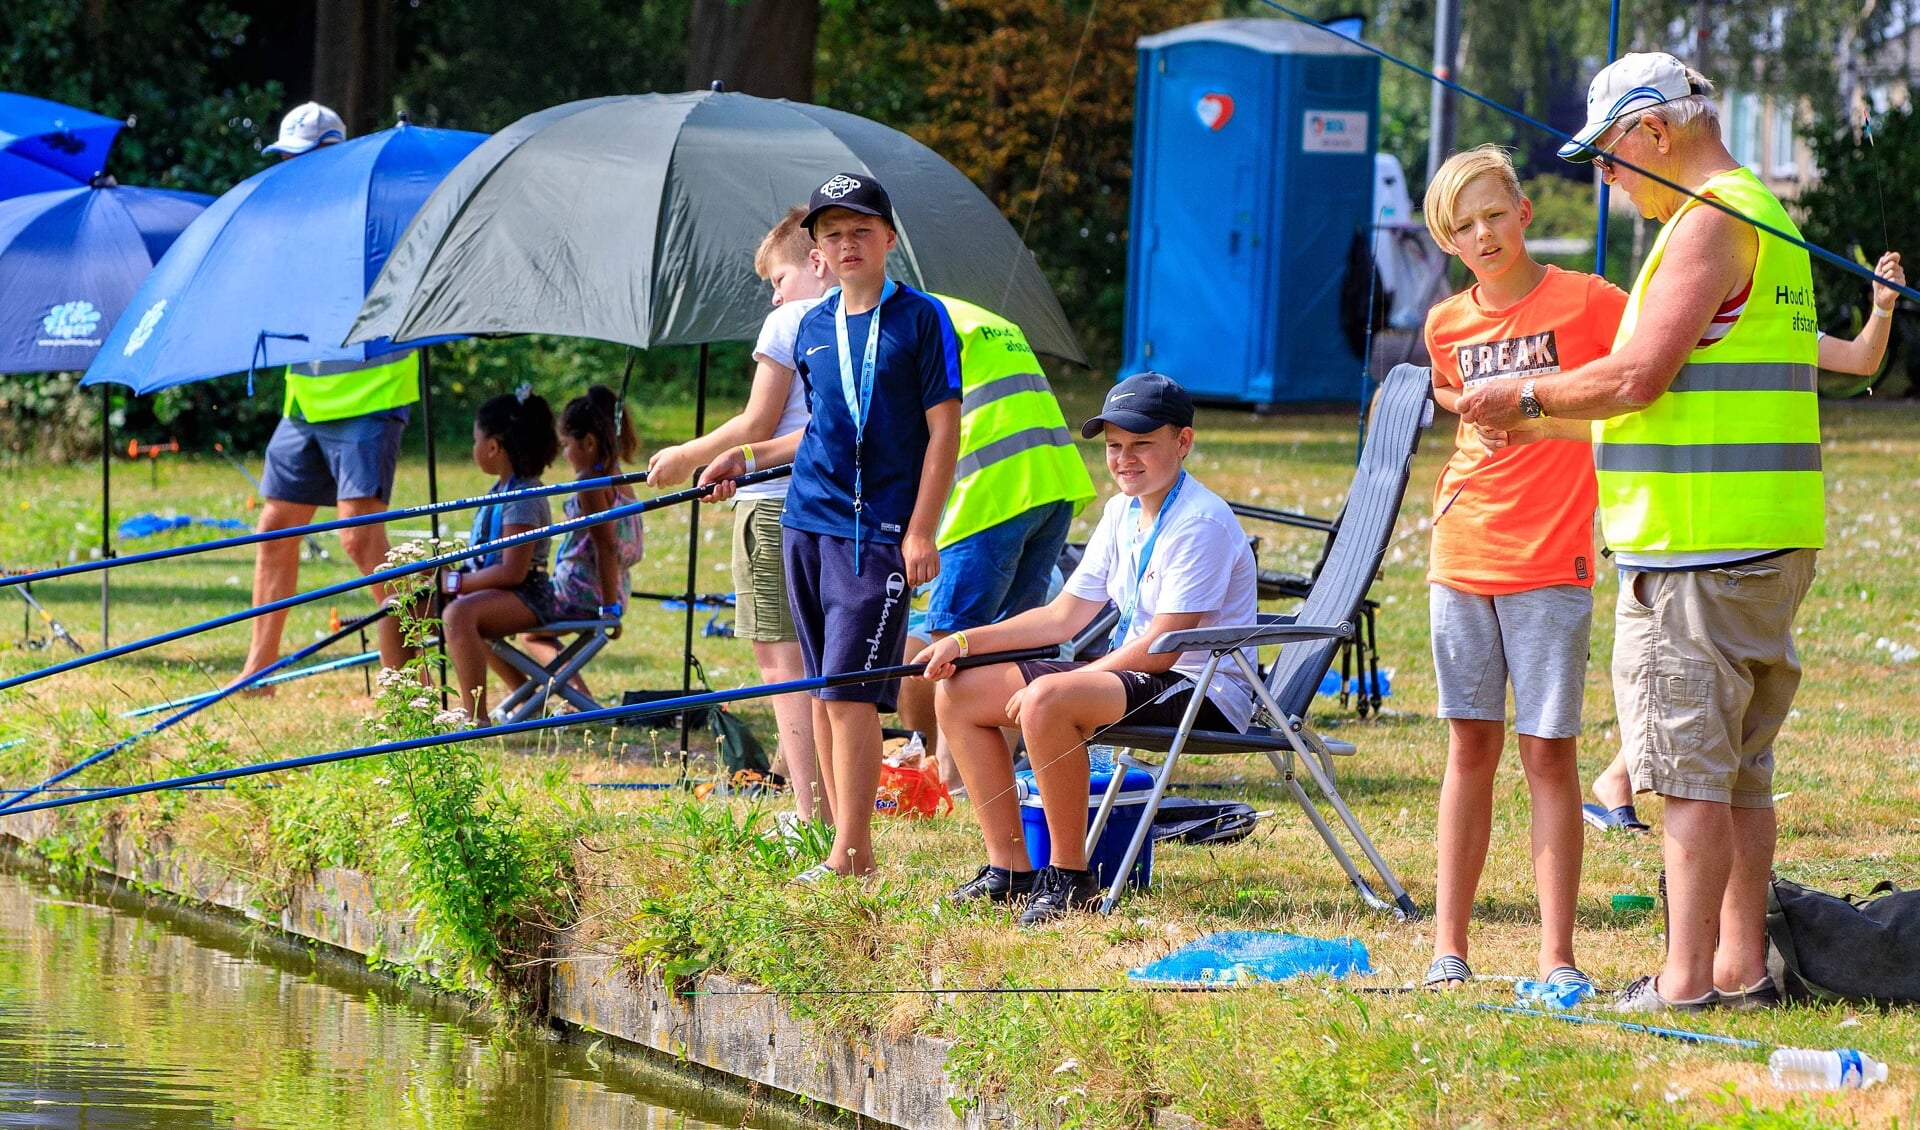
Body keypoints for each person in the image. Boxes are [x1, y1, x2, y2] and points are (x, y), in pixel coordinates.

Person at [1460, 53, 1826, 1013]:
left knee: (1691, 777)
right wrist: (1535, 422)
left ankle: (1683, 980)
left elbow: (1637, 378)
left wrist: (1523, 389)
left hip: (1698, 550)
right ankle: (1741, 968)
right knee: (1741, 773)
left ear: (1653, 132)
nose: (1608, 180)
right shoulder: (1765, 212)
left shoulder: (1707, 222)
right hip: (1764, 537)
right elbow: (1672, 395)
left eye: (1611, 160)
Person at [914, 373, 1259, 925]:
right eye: (1115, 447)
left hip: (1203, 687)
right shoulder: (1121, 512)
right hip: (1139, 672)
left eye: (1143, 443)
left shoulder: (1201, 522)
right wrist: (962, 641)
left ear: (1183, 442)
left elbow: (1163, 649)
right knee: (960, 691)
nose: (1125, 459)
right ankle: (1011, 871)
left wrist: (1070, 680)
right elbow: (1061, 615)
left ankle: (1071, 878)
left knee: (1050, 699)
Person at [1584, 247, 1905, 833]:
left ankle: (1618, 778)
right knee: (1702, 700)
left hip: (1763, 538)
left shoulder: (1779, 331)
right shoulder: (1716, 317)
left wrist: (1881, 309)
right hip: (1694, 535)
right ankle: (1618, 778)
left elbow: (1861, 361)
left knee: (1716, 704)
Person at [700, 173, 962, 880]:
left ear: (889, 239)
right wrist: (745, 455)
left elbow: (943, 435)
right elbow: (817, 431)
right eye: (833, 234)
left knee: (849, 693)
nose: (848, 245)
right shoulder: (812, 326)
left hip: (875, 534)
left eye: (861, 232)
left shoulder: (922, 319)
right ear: (817, 248)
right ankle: (829, 839)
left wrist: (921, 529)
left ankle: (854, 854)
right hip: (805, 523)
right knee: (820, 688)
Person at [1416, 145, 1628, 993]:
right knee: (1471, 744)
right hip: (1462, 548)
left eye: (1493, 214)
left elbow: (1646, 375)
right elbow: (1446, 390)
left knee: (1549, 755)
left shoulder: (1591, 301)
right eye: (1462, 227)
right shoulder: (1446, 323)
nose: (1483, 234)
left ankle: (1558, 959)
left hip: (1553, 555)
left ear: (1525, 211)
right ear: (1450, 243)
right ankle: (1448, 949)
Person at [648, 209, 828, 821]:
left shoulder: (790, 319)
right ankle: (823, 805)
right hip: (826, 510)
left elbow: (756, 424)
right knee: (816, 662)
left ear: (815, 262)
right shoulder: (862, 319)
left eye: (778, 277)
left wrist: (684, 457)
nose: (774, 294)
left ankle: (811, 816)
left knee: (782, 663)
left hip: (773, 509)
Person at [237, 101, 421, 685]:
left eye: (299, 158)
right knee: (275, 526)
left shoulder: (374, 214)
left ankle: (408, 687)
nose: (290, 169)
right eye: (284, 159)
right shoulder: (289, 222)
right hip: (307, 402)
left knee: (360, 541)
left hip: (370, 397)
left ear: (332, 154)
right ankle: (257, 671)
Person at [895, 294, 1096, 793]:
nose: (777, 299)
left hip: (991, 489)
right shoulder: (973, 314)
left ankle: (954, 782)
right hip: (1051, 481)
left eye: (780, 285)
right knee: (1016, 639)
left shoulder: (899, 321)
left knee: (951, 640)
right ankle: (993, 777)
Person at [412, 389, 559, 722]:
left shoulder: (523, 498)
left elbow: (511, 573)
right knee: (401, 610)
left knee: (459, 615)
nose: (473, 447)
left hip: (527, 595)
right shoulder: (500, 491)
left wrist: (456, 581)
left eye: (475, 440)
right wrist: (441, 573)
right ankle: (408, 712)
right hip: (491, 590)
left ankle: (475, 719)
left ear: (493, 446)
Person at [511, 385, 646, 706]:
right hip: (606, 590)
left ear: (588, 442)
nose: (563, 453)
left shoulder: (589, 481)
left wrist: (608, 610)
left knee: (526, 630)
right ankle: (572, 697)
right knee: (530, 628)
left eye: (566, 445)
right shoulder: (618, 477)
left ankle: (577, 699)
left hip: (582, 590)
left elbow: (605, 546)